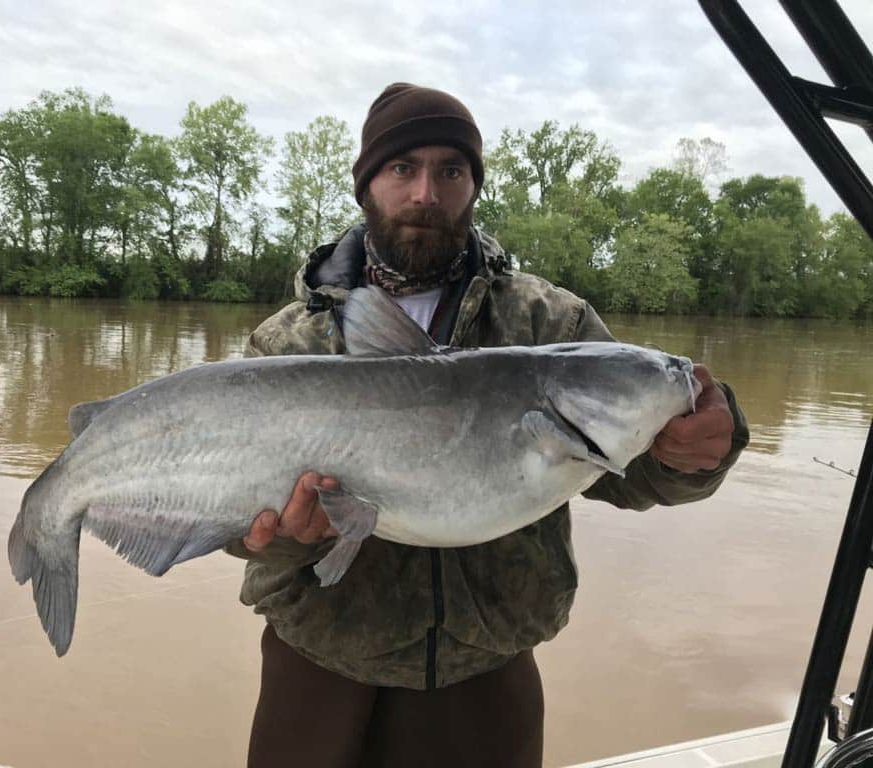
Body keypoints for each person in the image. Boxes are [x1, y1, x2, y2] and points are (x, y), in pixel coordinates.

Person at [224, 83, 750, 768]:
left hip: (486, 664)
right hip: (319, 661)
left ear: (473, 186)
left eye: (451, 170)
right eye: (402, 168)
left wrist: (702, 451)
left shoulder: (548, 324)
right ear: (366, 185)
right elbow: (237, 525)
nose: (425, 193)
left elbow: (631, 476)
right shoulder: (288, 342)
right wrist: (281, 538)